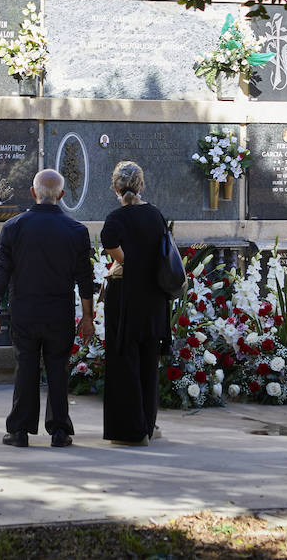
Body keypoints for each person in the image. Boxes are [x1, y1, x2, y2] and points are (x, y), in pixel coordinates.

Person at [0, 169, 94, 448]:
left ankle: (19, 430)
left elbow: (2, 272)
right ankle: (59, 431)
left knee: (26, 367)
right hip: (59, 312)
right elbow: (84, 278)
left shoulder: (13, 227)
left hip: (25, 311)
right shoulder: (77, 231)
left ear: (33, 193)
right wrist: (88, 317)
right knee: (58, 368)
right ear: (62, 196)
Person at [100, 161, 171, 446]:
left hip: (125, 298)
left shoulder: (116, 218)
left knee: (124, 363)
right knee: (147, 363)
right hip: (153, 298)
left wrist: (129, 260)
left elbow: (112, 246)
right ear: (141, 186)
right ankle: (148, 424)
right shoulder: (155, 215)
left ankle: (130, 429)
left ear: (115, 187)